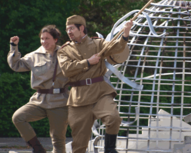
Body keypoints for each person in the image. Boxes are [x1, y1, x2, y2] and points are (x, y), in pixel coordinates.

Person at [57, 15, 132, 153]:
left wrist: (125, 34)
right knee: (79, 145)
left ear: (81, 28)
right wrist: (88, 62)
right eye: (67, 29)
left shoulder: (98, 44)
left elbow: (116, 48)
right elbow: (67, 70)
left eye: (72, 28)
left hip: (100, 92)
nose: (69, 32)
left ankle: (110, 150)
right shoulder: (64, 50)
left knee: (113, 118)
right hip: (78, 98)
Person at [7, 25, 69, 153]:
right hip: (39, 100)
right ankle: (38, 149)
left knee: (58, 139)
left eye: (47, 38)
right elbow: (16, 65)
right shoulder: (34, 55)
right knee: (18, 117)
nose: (44, 41)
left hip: (60, 101)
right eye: (42, 38)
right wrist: (14, 46)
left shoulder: (66, 52)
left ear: (56, 39)